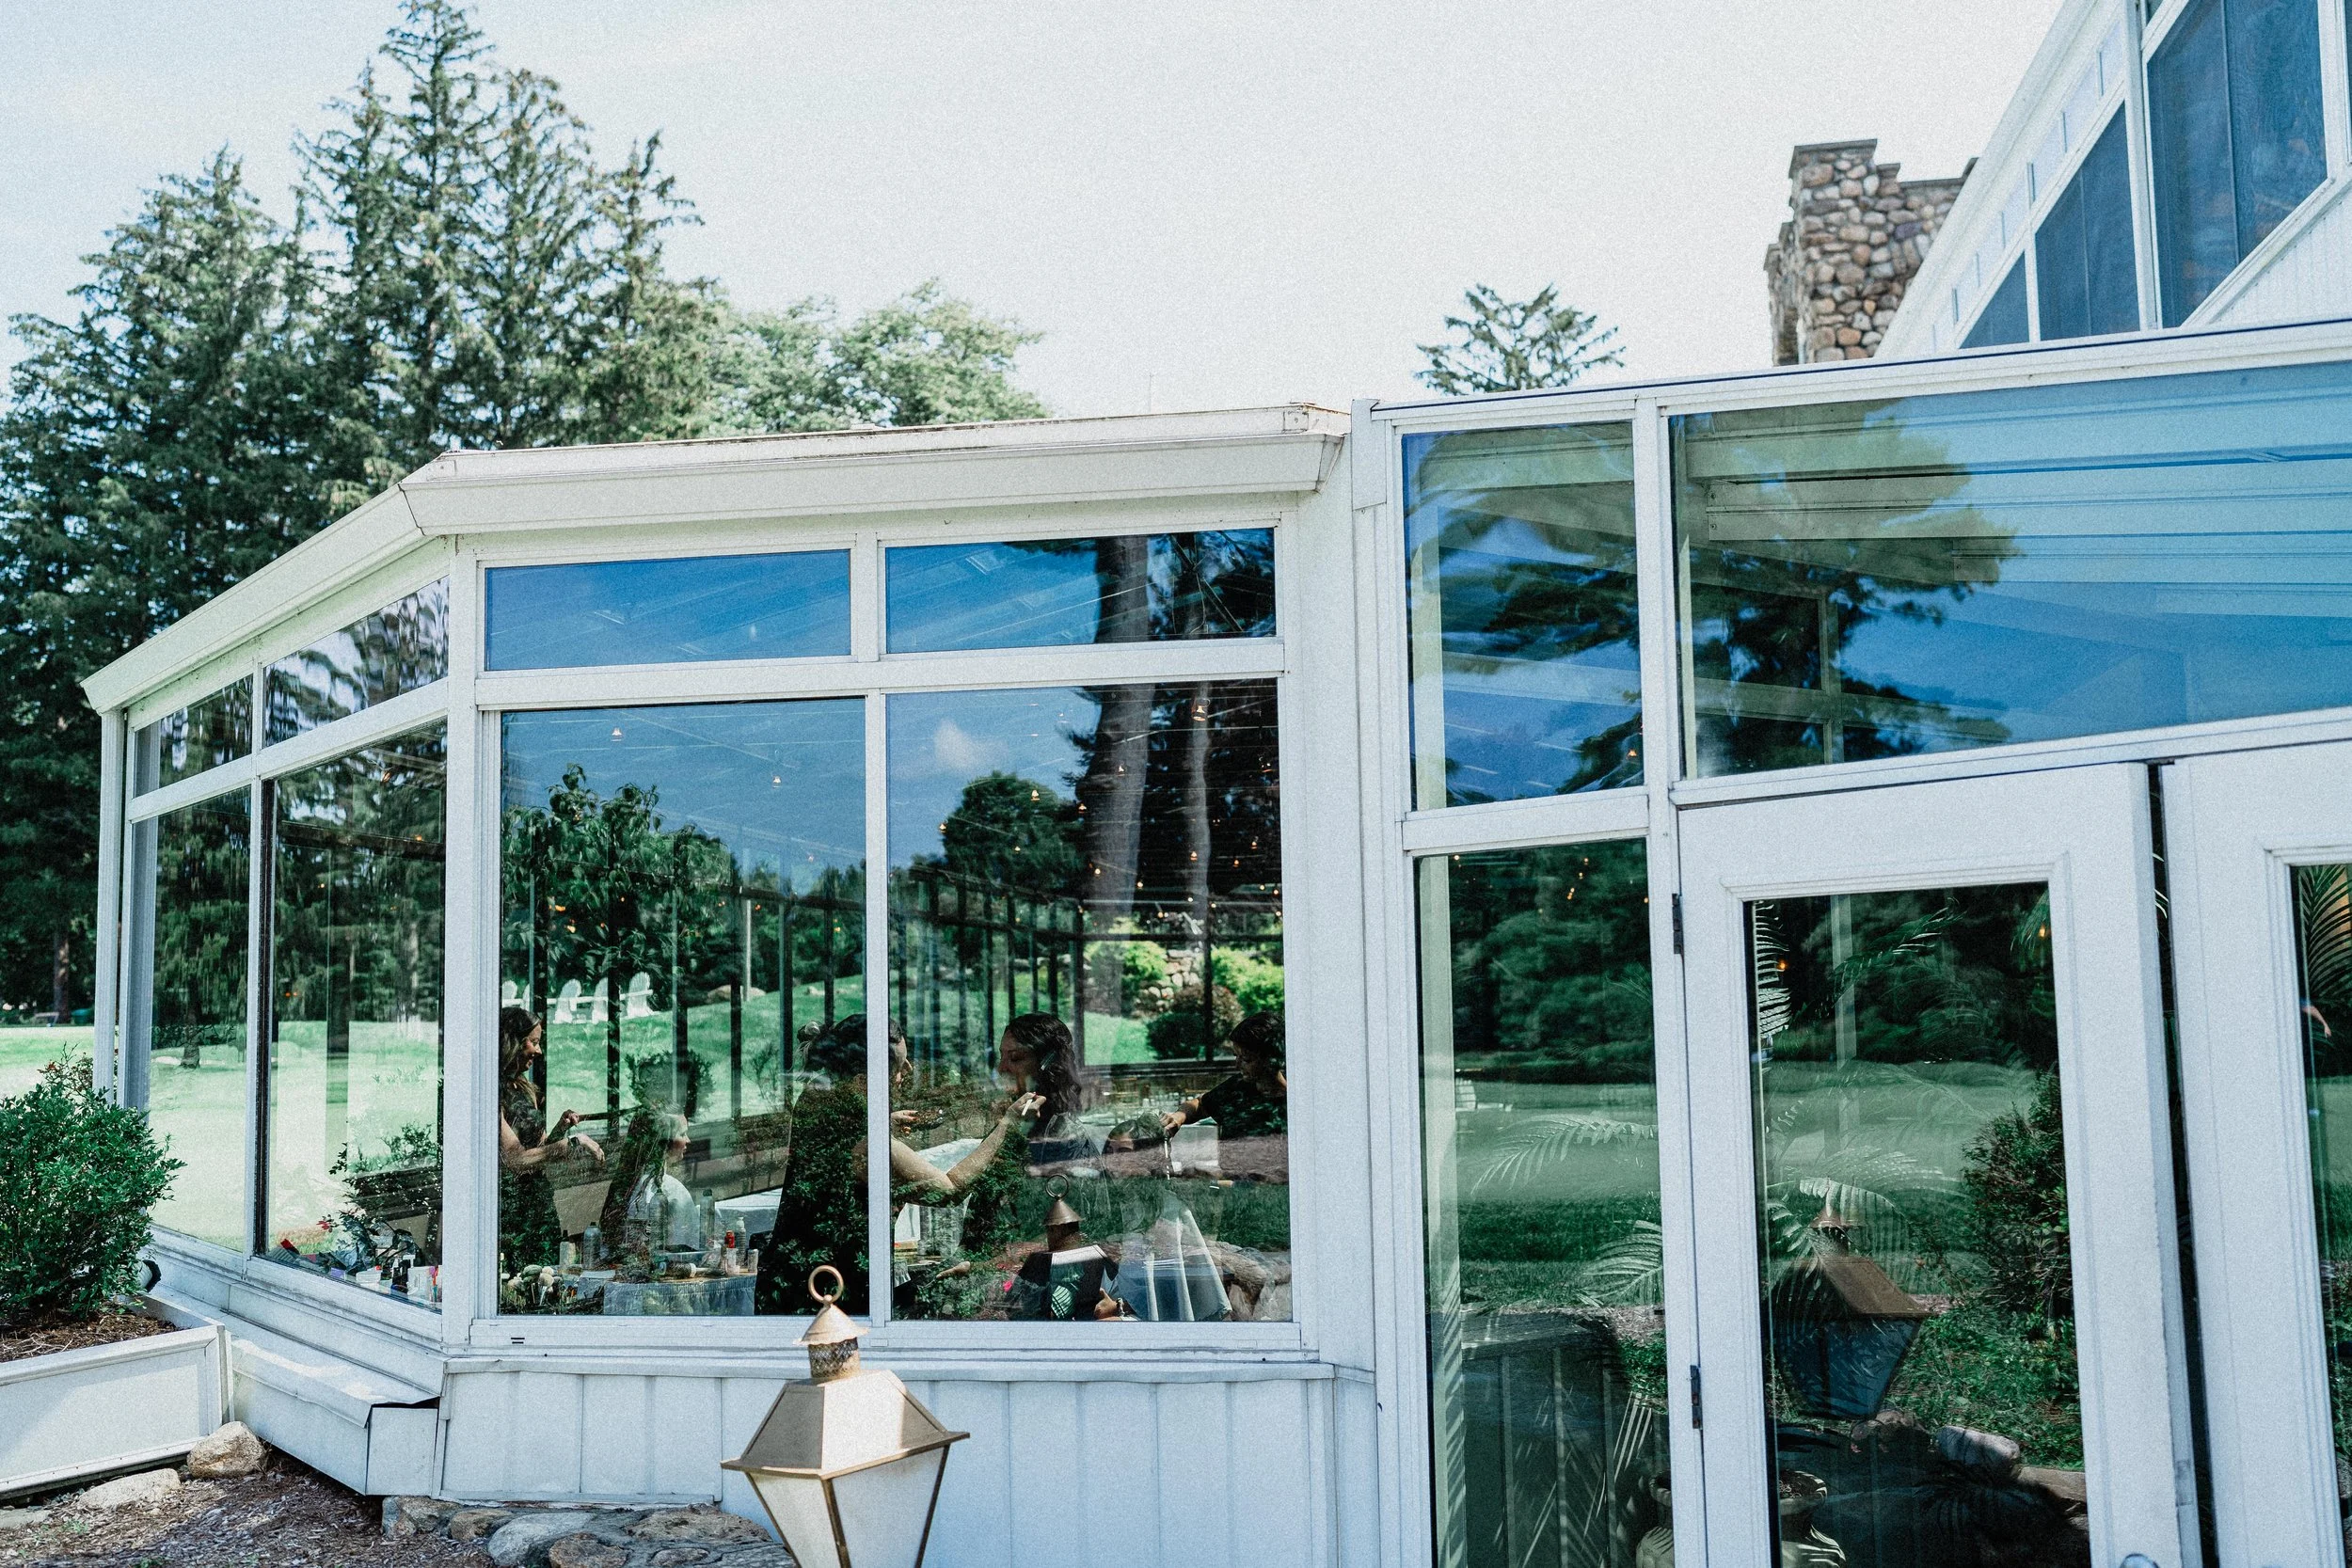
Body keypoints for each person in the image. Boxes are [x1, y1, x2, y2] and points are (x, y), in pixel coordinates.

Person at [497, 1006, 603, 1272]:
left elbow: (539, 1152)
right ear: (511, 1042)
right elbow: (515, 1159)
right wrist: (573, 1143)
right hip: (510, 1214)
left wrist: (560, 1130)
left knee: (547, 1276)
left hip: (540, 1207)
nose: (539, 1051)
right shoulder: (490, 1091)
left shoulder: (526, 1090)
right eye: (533, 1042)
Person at [1164, 1011, 1287, 1138]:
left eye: (1246, 1059)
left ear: (1271, 1059)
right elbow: (1200, 1105)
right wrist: (1179, 1116)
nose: (1237, 1065)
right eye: (1236, 1056)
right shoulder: (1238, 1088)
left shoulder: (1294, 1102)